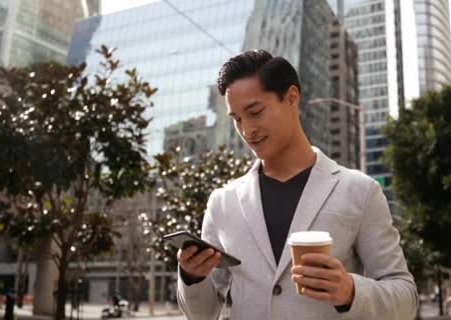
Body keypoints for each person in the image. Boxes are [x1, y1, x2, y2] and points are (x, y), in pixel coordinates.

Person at [176, 49, 418, 319]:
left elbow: (405, 297)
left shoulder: (359, 191)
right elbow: (204, 314)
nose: (247, 130)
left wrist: (351, 291)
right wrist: (191, 278)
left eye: (255, 112)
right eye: (237, 120)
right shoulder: (222, 202)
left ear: (292, 98)